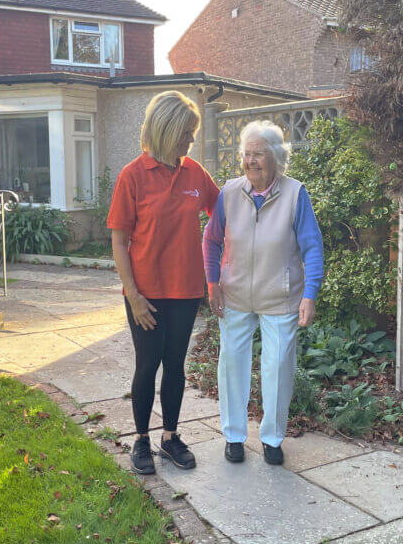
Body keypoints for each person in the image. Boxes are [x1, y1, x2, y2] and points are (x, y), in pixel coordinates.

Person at [107, 91, 220, 474]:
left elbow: (222, 212)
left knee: (175, 365)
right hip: (146, 294)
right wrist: (134, 296)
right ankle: (140, 440)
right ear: (166, 129)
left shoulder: (194, 174)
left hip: (186, 291)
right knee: (147, 364)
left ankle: (170, 437)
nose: (190, 141)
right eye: (186, 133)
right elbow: (119, 242)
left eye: (192, 134)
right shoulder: (132, 176)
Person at [202, 120, 323, 466]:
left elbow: (312, 247)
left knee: (279, 367)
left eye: (259, 154)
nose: (251, 161)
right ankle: (234, 437)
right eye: (247, 154)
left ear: (277, 158)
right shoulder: (229, 193)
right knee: (232, 365)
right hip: (235, 293)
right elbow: (211, 240)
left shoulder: (295, 194)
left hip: (280, 296)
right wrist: (213, 282)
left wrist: (309, 294)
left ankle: (272, 438)